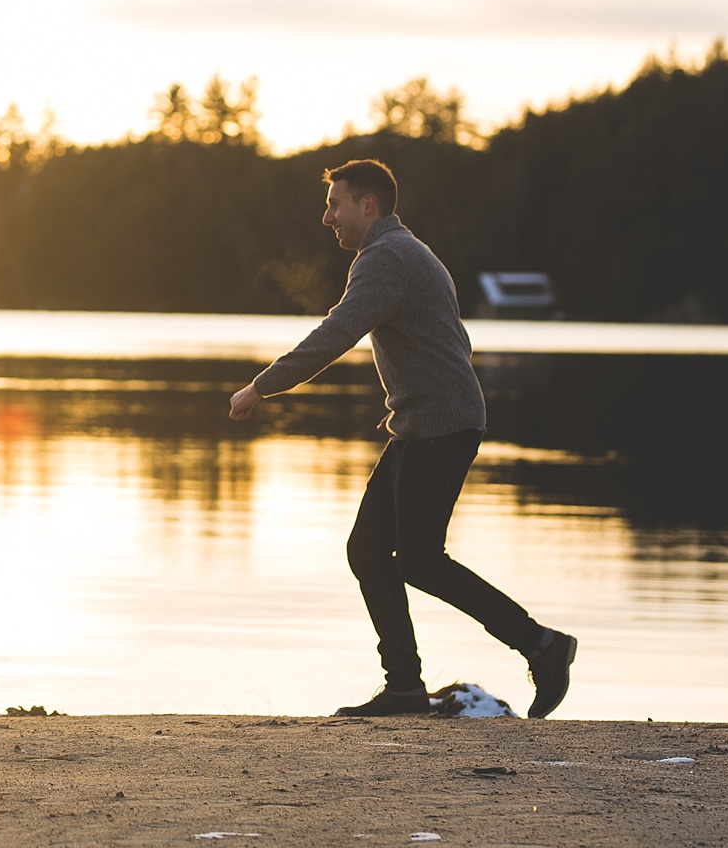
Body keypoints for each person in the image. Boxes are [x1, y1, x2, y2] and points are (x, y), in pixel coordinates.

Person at [229, 159, 576, 718]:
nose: (327, 217)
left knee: (418, 558)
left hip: (440, 427)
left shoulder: (386, 258)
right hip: (425, 425)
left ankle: (542, 644)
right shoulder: (406, 252)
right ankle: (406, 687)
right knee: (370, 551)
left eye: (335, 204)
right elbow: (448, 342)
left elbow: (336, 332)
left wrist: (260, 387)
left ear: (369, 205)